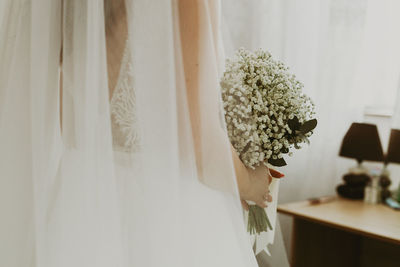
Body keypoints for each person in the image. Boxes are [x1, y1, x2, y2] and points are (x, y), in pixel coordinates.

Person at [0, 0, 283, 266]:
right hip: (161, 209)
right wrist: (252, 184)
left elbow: (64, 118)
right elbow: (202, 148)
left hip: (77, 204)